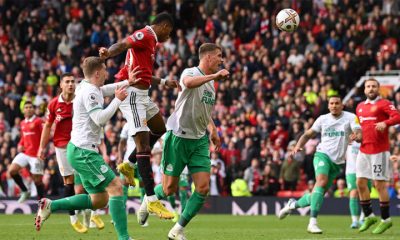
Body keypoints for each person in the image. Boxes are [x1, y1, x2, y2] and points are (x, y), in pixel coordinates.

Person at [34, 56, 138, 240]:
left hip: (80, 149)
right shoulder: (89, 92)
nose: (107, 73)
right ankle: (124, 238)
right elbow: (100, 118)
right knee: (116, 187)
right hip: (84, 151)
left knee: (99, 200)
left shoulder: (86, 85)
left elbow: (104, 89)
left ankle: (51, 205)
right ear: (97, 73)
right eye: (105, 70)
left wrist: (126, 83)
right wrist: (117, 100)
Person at [99, 12, 178, 220]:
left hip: (143, 94)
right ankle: (152, 201)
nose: (169, 36)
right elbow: (124, 44)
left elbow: (144, 73)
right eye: (169, 32)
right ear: (163, 26)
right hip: (131, 95)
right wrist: (108, 53)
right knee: (143, 146)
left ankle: (129, 164)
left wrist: (162, 83)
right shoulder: (146, 34)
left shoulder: (152, 43)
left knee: (160, 128)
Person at [149, 43, 229, 239]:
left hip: (199, 140)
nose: (221, 60)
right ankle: (148, 198)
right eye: (219, 56)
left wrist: (213, 130)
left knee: (202, 188)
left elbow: (205, 111)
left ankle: (177, 229)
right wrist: (214, 76)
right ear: (208, 57)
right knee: (169, 189)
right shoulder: (191, 71)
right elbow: (189, 82)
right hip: (178, 137)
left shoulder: (211, 84)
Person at [278, 95, 362, 234]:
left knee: (318, 193)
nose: (334, 105)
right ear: (328, 106)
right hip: (322, 154)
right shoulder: (323, 119)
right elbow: (307, 134)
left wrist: (357, 136)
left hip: (337, 162)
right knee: (321, 182)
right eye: (331, 103)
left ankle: (293, 204)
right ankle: (312, 222)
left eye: (337, 103)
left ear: (342, 105)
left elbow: (359, 132)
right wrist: (298, 146)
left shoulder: (350, 117)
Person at [37, 73, 104, 233]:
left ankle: (90, 216)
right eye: (67, 82)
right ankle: (73, 218)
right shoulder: (53, 104)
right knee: (69, 182)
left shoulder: (80, 99)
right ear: (61, 84)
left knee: (87, 183)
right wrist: (41, 147)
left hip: (81, 144)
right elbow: (47, 126)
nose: (71, 84)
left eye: (73, 81)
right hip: (62, 146)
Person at [355, 78, 400, 234]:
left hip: (379, 151)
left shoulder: (385, 103)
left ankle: (386, 220)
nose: (371, 89)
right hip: (363, 149)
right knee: (360, 183)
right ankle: (369, 216)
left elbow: (397, 116)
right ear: (364, 89)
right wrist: (356, 136)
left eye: (374, 86)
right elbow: (361, 129)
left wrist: (386, 123)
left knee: (379, 185)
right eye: (368, 86)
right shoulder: (359, 107)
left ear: (378, 89)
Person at [7, 101, 45, 203]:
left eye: (30, 107)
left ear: (33, 109)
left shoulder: (38, 121)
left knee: (37, 181)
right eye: (26, 107)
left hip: (36, 155)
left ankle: (42, 204)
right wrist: (20, 144)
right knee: (12, 171)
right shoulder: (23, 123)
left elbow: (44, 136)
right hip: (25, 153)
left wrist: (42, 149)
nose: (28, 109)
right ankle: (25, 191)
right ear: (23, 110)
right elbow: (23, 137)